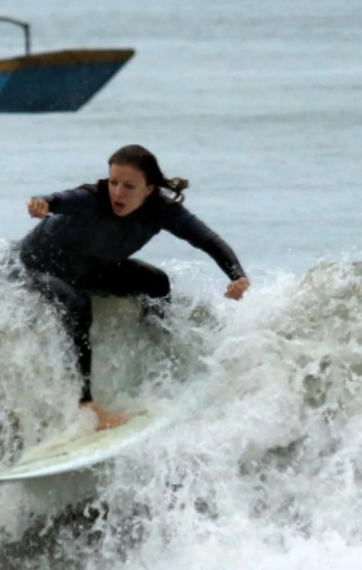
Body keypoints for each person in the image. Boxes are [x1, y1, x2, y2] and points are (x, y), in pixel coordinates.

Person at [17, 144, 249, 429]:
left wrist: (236, 275)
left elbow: (208, 240)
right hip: (42, 265)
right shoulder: (91, 199)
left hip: (91, 269)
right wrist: (40, 203)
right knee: (78, 305)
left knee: (157, 282)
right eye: (114, 182)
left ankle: (162, 361)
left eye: (129, 186)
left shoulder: (163, 211)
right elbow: (55, 199)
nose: (117, 192)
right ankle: (86, 405)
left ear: (149, 189)